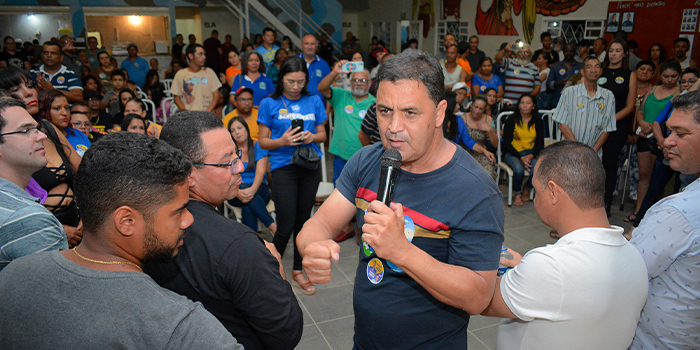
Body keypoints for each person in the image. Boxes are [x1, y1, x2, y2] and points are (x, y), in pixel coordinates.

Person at [297, 51, 504, 349]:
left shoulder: (475, 190)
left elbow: (477, 295)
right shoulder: (367, 161)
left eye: (410, 113)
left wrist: (402, 252)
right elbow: (320, 223)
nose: (394, 127)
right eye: (384, 111)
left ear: (439, 112)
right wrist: (312, 246)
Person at [0, 131, 244, 349]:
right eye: (179, 211)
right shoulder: (179, 327)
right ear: (126, 221)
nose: (188, 220)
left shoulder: (14, 275)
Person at [144, 111, 302, 350]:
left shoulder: (145, 226)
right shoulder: (239, 246)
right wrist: (278, 272)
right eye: (227, 161)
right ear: (189, 175)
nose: (239, 167)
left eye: (237, 155)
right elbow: (285, 333)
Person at [481, 140, 648, 350]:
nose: (534, 200)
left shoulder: (549, 266)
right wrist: (526, 269)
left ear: (553, 192)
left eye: (535, 190)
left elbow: (479, 297)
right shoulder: (635, 257)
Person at [628, 91, 700, 349]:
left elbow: (627, 273)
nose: (667, 142)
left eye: (680, 134)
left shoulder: (678, 213)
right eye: (669, 132)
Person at [258, 57, 327, 295]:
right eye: (290, 81)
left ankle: (298, 269)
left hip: (309, 166)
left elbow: (323, 134)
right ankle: (270, 272)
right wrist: (282, 141)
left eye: (300, 82)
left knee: (303, 222)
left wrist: (311, 137)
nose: (295, 86)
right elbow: (263, 141)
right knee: (285, 225)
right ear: (281, 79)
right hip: (282, 167)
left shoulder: (314, 99)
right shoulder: (270, 103)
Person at [0, 98, 68, 271]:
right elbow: (52, 292)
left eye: (36, 129)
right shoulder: (30, 220)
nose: (42, 136)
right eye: (26, 130)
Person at [631, 60, 681, 223]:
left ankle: (652, 215)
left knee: (657, 178)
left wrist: (656, 131)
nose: (669, 79)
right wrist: (643, 123)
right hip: (645, 136)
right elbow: (641, 110)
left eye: (673, 76)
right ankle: (639, 210)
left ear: (678, 76)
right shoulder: (652, 90)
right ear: (660, 75)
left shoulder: (679, 94)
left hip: (663, 139)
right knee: (644, 175)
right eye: (666, 76)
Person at [597, 40, 638, 216]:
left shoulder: (630, 75)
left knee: (609, 163)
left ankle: (605, 203)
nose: (614, 53)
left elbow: (630, 106)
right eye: (611, 50)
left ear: (625, 54)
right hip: (596, 123)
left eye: (618, 50)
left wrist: (610, 120)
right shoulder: (599, 72)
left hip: (617, 124)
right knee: (592, 161)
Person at [553, 56, 616, 157]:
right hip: (569, 152)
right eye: (589, 67)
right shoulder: (569, 92)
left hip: (594, 154)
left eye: (597, 67)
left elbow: (607, 128)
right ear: (582, 72)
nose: (593, 70)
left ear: (601, 72)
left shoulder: (608, 96)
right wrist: (580, 149)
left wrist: (592, 152)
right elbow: (562, 124)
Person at [226, 116, 277, 234]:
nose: (237, 132)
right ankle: (272, 225)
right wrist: (238, 193)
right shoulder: (229, 151)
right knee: (242, 186)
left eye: (239, 128)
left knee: (248, 207)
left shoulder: (258, 146)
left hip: (259, 189)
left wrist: (252, 190)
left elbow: (260, 172)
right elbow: (227, 175)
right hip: (235, 191)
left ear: (246, 129)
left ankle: (252, 246)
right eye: (233, 131)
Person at [502, 94, 545, 207]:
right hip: (513, 153)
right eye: (522, 103)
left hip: (531, 152)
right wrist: (521, 157)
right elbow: (506, 143)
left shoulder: (538, 121)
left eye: (528, 103)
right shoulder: (511, 120)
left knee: (537, 170)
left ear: (533, 106)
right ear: (519, 105)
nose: (525, 105)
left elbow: (540, 144)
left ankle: (527, 188)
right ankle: (517, 193)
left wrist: (531, 156)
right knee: (519, 170)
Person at [442, 91, 495, 162]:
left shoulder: (459, 120)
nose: (458, 106)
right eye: (456, 103)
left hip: (454, 157)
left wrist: (484, 151)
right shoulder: (436, 120)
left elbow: (468, 141)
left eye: (481, 108)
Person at [39, 89, 91, 157]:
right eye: (57, 108)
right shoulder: (41, 139)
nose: (64, 113)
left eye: (66, 108)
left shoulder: (78, 134)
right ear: (44, 111)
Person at [171, 44, 222, 112]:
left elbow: (216, 96)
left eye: (204, 54)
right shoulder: (180, 74)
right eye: (200, 54)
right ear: (191, 56)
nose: (204, 57)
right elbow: (177, 98)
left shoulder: (209, 72)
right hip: (189, 116)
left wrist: (207, 112)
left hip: (208, 115)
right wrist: (187, 113)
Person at [464, 94, 498, 180]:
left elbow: (495, 144)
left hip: (481, 152)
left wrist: (489, 130)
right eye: (476, 107)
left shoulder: (488, 120)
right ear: (471, 105)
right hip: (464, 152)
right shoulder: (463, 118)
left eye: (481, 108)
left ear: (485, 109)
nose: (477, 111)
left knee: (488, 173)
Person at [299, 34, 331, 101]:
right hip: (296, 105)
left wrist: (327, 110)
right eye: (306, 44)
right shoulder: (294, 61)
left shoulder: (324, 64)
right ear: (302, 45)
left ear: (316, 46)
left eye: (312, 44)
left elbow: (329, 88)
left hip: (318, 106)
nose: (309, 47)